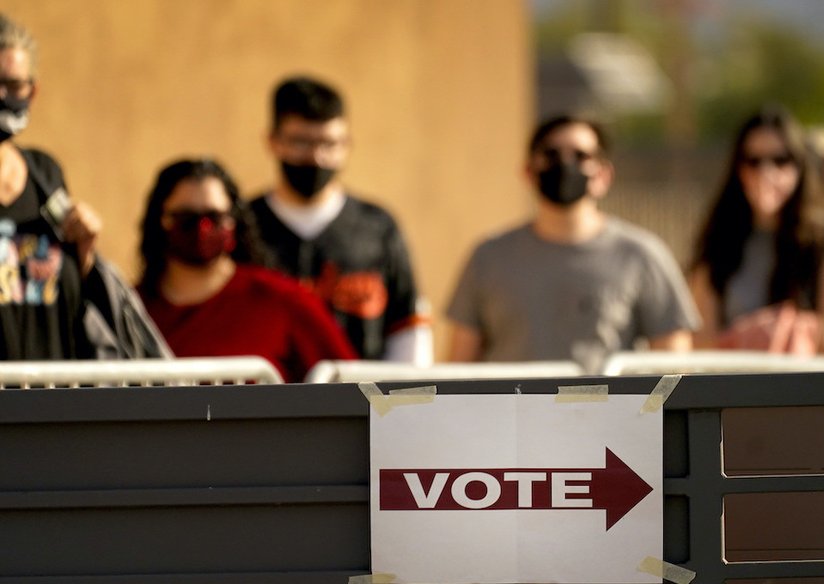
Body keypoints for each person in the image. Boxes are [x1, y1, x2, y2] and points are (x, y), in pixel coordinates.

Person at [446, 114, 701, 374]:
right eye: (551, 155)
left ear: (603, 176)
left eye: (581, 156)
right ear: (528, 172)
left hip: (608, 412)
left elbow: (673, 365)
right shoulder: (489, 256)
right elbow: (460, 367)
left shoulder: (641, 255)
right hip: (511, 413)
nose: (565, 164)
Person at [0, 12, 167, 360]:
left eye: (14, 85)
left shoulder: (44, 173)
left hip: (54, 397)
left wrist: (85, 249)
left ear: (33, 91)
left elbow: (75, 294)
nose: (3, 96)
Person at [250, 76, 429, 363]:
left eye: (329, 144)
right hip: (266, 402)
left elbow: (407, 327)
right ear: (273, 142)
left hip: (363, 402)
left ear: (347, 145)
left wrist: (402, 401)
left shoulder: (378, 227)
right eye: (301, 142)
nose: (317, 157)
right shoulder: (246, 226)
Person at [137, 158, 357, 383]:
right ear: (160, 221)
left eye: (215, 217)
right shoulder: (132, 310)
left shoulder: (283, 299)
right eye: (186, 218)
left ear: (234, 220)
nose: (202, 229)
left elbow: (351, 385)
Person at [688, 106, 824, 358]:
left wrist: (775, 332)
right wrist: (756, 335)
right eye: (753, 161)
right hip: (736, 389)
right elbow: (703, 341)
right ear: (738, 168)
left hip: (811, 388)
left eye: (780, 160)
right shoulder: (719, 237)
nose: (765, 173)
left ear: (799, 166)